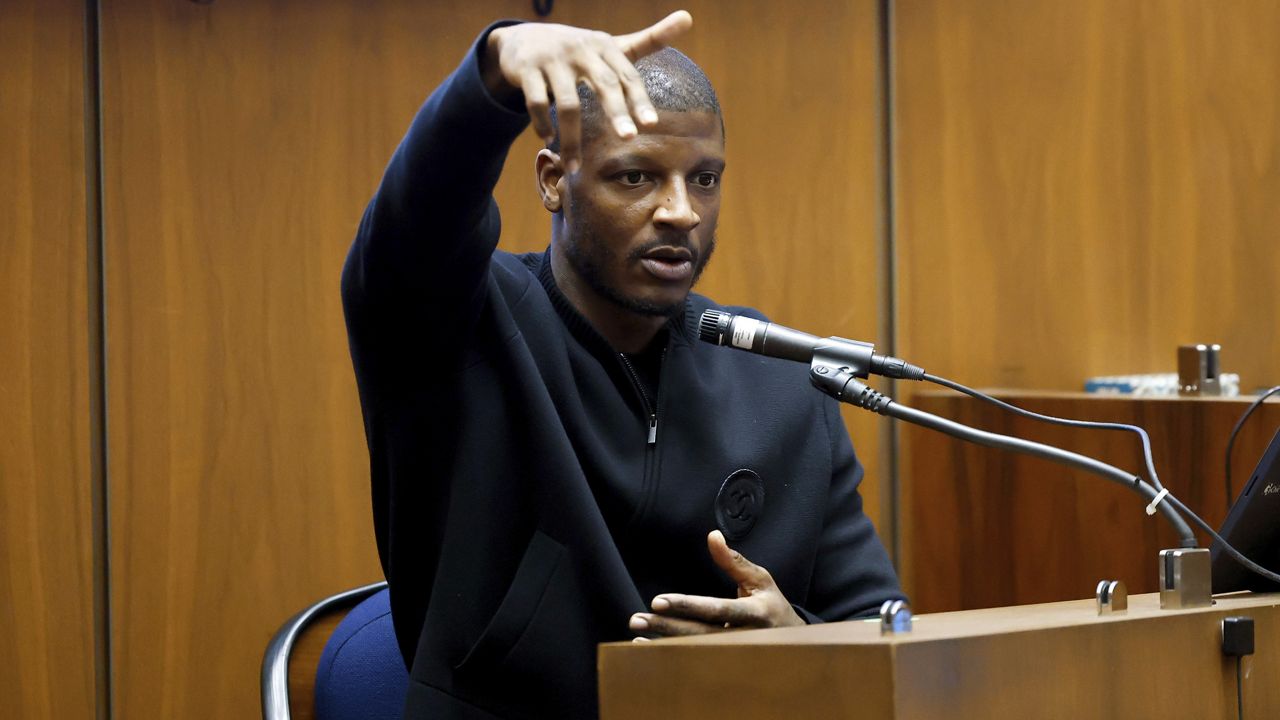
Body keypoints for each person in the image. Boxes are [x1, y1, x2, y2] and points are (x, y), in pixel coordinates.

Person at [342, 10, 904, 719]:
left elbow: (886, 626)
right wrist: (492, 71)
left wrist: (800, 644)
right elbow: (411, 228)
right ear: (554, 180)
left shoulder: (782, 376)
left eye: (704, 180)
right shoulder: (460, 326)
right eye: (635, 176)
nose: (681, 212)